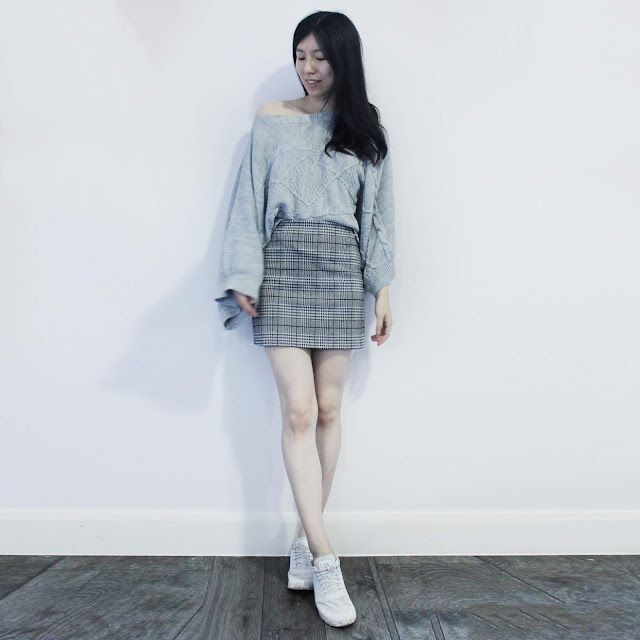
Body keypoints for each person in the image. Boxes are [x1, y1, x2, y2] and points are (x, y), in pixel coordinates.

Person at [214, 10, 396, 628]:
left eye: (320, 57)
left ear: (343, 59)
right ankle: (324, 557)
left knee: (328, 409)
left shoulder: (366, 131)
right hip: (284, 267)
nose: (308, 68)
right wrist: (244, 273)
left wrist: (383, 288)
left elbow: (378, 215)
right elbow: (248, 199)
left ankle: (301, 536)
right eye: (300, 55)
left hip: (342, 270)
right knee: (297, 411)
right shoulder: (271, 118)